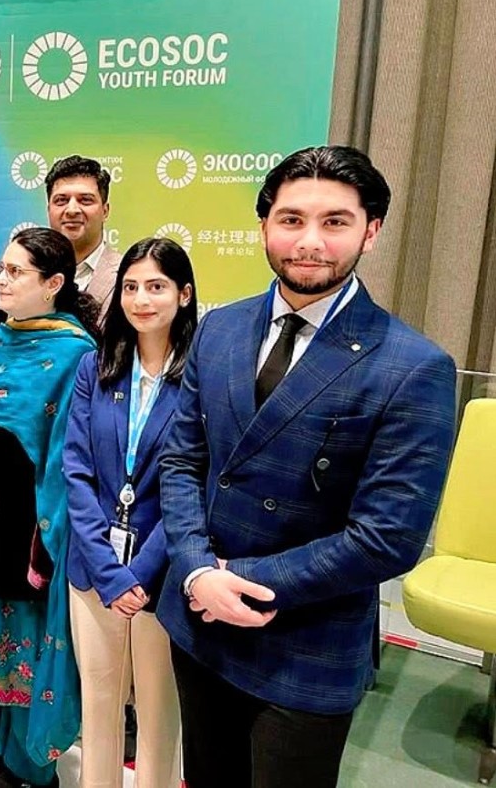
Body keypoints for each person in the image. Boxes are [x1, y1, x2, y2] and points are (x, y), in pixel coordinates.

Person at [158, 145, 457, 788]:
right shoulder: (220, 328)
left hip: (305, 638)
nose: (310, 241)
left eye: (335, 221)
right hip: (200, 620)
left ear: (370, 231)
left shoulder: (412, 366)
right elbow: (183, 458)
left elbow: (388, 537)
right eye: (291, 219)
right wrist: (193, 569)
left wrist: (235, 580)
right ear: (265, 225)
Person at [0, 227, 98, 788]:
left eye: (16, 272)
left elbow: (69, 458)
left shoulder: (73, 354)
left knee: (31, 651)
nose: (0, 279)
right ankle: (2, 745)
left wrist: (51, 538)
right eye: (1, 269)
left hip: (30, 530)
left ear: (54, 283)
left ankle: (34, 769)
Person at [64, 238, 197, 788]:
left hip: (161, 576)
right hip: (94, 570)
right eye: (131, 286)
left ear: (184, 295)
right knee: (98, 709)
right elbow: (76, 469)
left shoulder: (202, 375)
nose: (142, 299)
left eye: (157, 286)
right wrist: (107, 568)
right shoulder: (95, 368)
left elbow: (195, 487)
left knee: (161, 719)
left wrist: (137, 573)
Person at [45, 155, 122, 313]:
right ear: (49, 210)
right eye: (61, 200)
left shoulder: (127, 274)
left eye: (85, 200)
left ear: (105, 211)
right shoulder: (28, 274)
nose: (72, 210)